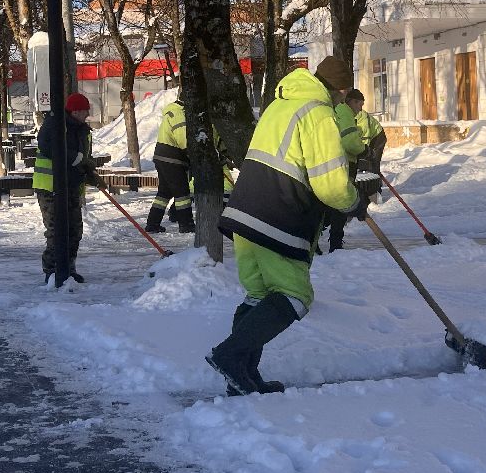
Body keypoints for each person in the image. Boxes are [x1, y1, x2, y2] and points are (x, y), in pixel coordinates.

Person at [209, 55, 362, 395]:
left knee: (259, 294)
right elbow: (331, 185)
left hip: (246, 210)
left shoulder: (281, 104)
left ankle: (243, 378)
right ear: (339, 90)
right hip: (277, 214)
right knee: (294, 296)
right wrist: (353, 201)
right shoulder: (319, 114)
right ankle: (230, 357)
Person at [33, 92, 96, 285]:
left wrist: (88, 171)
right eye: (85, 111)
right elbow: (47, 146)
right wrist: (76, 159)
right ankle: (52, 271)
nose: (87, 115)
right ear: (76, 111)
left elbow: (83, 156)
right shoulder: (55, 123)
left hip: (71, 186)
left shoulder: (82, 130)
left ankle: (69, 267)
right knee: (56, 230)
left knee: (75, 230)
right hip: (50, 187)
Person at [325, 88, 386, 252]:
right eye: (358, 103)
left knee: (331, 203)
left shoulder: (339, 111)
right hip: (345, 163)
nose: (360, 108)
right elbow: (350, 142)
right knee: (341, 202)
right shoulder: (344, 113)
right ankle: (335, 244)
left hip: (339, 161)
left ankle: (324, 241)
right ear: (350, 101)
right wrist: (365, 151)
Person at [146, 95, 193, 234]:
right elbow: (183, 138)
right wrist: (192, 155)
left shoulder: (173, 110)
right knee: (182, 192)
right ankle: (186, 224)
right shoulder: (179, 113)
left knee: (164, 193)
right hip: (172, 158)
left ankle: (152, 223)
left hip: (163, 157)